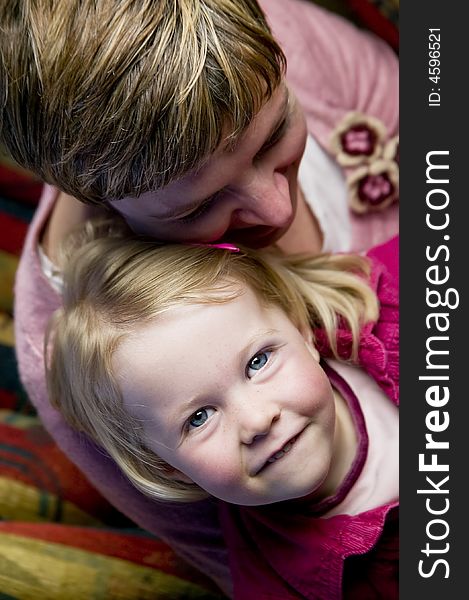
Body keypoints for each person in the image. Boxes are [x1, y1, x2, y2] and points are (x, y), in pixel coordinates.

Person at [1, 0, 398, 593]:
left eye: (274, 136)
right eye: (196, 207)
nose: (276, 210)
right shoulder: (94, 365)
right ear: (99, 201)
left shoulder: (250, 40)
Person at [46, 223, 399, 599]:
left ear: (300, 329)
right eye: (199, 418)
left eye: (258, 362)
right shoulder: (280, 581)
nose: (257, 420)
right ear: (164, 466)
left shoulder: (389, 296)